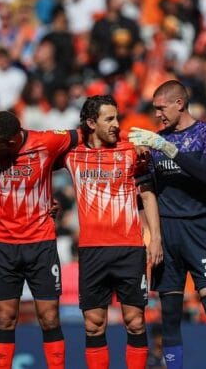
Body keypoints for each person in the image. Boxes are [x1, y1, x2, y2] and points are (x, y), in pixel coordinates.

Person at [128, 80, 206, 369]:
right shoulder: (155, 142)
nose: (157, 115)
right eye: (154, 109)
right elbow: (146, 192)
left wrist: (167, 148)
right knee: (170, 316)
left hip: (200, 229)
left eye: (161, 108)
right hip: (167, 232)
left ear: (179, 104)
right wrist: (152, 236)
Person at [0, 111, 77, 369]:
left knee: (49, 317)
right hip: (4, 246)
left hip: (41, 244)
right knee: (5, 318)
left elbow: (87, 135)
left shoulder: (47, 142)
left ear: (12, 141)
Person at [61, 95, 163, 368]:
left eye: (117, 117)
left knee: (136, 321)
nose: (117, 124)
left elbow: (147, 194)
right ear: (91, 123)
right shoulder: (71, 154)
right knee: (94, 325)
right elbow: (39, 160)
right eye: (109, 119)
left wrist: (155, 238)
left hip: (129, 249)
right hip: (92, 251)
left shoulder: (132, 151)